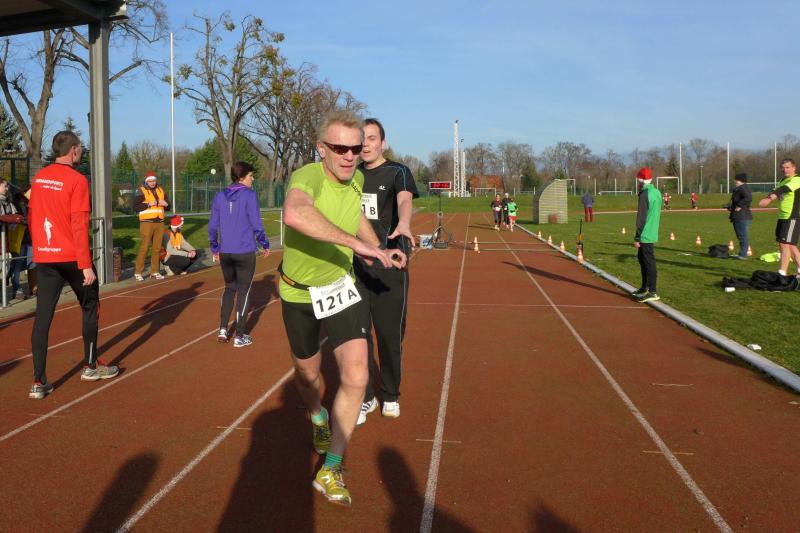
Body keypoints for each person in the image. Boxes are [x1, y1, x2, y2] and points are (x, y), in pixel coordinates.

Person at [280, 110, 406, 506]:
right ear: (322, 149)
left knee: (355, 376)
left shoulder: (356, 182)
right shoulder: (307, 177)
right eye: (340, 148)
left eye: (355, 148)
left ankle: (331, 467)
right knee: (308, 375)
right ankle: (318, 415)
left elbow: (356, 219)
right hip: (299, 293)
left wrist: (377, 248)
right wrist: (355, 245)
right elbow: (295, 213)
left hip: (340, 286)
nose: (350, 156)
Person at [27, 130, 118, 399]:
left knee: (42, 318)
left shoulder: (39, 178)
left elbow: (32, 217)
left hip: (45, 257)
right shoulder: (78, 180)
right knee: (90, 305)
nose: (81, 151)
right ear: (74, 150)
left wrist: (40, 248)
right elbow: (79, 224)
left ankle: (38, 381)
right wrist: (86, 264)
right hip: (72, 257)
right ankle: (90, 366)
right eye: (80, 148)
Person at [354, 118, 419, 427]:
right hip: (356, 265)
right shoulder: (351, 175)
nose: (366, 144)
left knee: (389, 335)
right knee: (358, 336)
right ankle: (365, 395)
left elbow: (404, 199)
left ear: (383, 143)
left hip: (391, 264)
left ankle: (390, 394)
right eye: (362, 139)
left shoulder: (398, 172)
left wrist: (404, 222)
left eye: (371, 138)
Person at [208, 161, 270, 347]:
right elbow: (257, 223)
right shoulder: (250, 195)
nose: (253, 179)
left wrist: (215, 248)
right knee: (243, 291)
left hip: (226, 252)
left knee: (229, 288)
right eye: (251, 175)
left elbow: (212, 226)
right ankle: (240, 335)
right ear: (242, 177)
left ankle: (222, 329)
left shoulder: (219, 195)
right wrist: (264, 243)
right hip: (244, 251)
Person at [758, 158, 800, 275]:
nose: (785, 170)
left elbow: (784, 189)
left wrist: (770, 199)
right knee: (790, 245)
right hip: (782, 216)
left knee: (785, 244)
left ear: (794, 168)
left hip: (792, 216)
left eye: (788, 167)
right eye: (783, 168)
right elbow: (775, 190)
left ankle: (782, 272)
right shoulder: (782, 180)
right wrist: (767, 197)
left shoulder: (797, 179)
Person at [632, 166, 662, 303]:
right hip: (652, 230)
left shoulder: (644, 194)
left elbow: (641, 217)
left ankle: (652, 291)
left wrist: (637, 237)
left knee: (648, 261)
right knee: (642, 259)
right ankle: (645, 287)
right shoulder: (656, 192)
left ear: (641, 180)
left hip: (645, 233)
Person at [133, 171, 169, 281]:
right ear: (146, 181)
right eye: (150, 181)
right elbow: (135, 207)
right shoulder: (141, 190)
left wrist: (167, 204)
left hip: (160, 222)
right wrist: (148, 204)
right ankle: (138, 272)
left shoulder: (161, 190)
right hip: (147, 222)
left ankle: (155, 272)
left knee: (157, 248)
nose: (152, 183)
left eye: (154, 180)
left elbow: (168, 206)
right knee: (145, 247)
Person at [729, 173, 752, 260]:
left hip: (742, 216)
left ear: (741, 180)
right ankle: (742, 253)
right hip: (739, 216)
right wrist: (731, 207)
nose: (735, 181)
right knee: (741, 236)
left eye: (736, 180)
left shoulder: (743, 188)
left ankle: (743, 255)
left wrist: (739, 206)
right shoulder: (739, 188)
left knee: (742, 236)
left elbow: (748, 198)